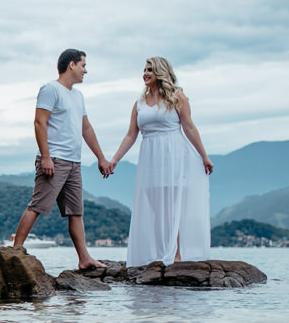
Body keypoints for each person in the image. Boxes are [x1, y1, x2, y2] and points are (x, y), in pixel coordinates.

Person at [12, 48, 113, 270]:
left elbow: (86, 128)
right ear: (71, 65)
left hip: (74, 162)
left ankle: (84, 258)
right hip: (54, 160)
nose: (85, 70)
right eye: (83, 65)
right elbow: (39, 122)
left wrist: (101, 158)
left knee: (76, 212)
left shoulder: (78, 96)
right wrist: (46, 157)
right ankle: (15, 250)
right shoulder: (50, 89)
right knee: (37, 205)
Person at [108, 57, 215, 267]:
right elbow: (131, 135)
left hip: (173, 155)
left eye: (150, 69)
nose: (145, 73)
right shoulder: (139, 103)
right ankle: (161, 251)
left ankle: (176, 254)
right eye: (144, 70)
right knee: (156, 207)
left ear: (160, 72)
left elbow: (189, 127)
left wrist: (204, 155)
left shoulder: (177, 97)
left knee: (173, 206)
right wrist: (115, 159)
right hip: (149, 158)